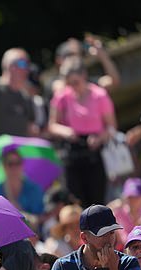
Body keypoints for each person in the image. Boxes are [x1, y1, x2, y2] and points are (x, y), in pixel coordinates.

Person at [48, 57, 116, 208]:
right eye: (69, 83)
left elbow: (111, 127)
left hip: (94, 152)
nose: (73, 87)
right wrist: (66, 132)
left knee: (96, 201)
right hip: (72, 152)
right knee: (75, 202)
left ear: (84, 76)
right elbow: (52, 125)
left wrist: (99, 138)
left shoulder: (99, 95)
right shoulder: (62, 97)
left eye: (76, 82)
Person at [50, 204, 141, 270]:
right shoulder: (62, 266)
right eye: (102, 234)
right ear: (84, 238)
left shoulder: (128, 263)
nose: (109, 240)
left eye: (112, 233)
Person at [0, 149, 44, 216]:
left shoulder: (34, 189)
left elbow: (41, 215)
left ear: (22, 165)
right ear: (4, 166)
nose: (14, 167)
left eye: (17, 163)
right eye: (10, 164)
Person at [110, 177, 141, 248]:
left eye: (136, 197)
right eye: (129, 196)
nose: (132, 200)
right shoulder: (119, 212)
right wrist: (113, 205)